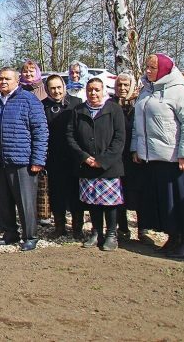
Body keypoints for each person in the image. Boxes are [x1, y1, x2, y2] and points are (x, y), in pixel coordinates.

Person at [0, 66, 48, 251]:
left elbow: (40, 131)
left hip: (22, 160)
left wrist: (38, 160)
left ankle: (30, 236)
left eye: (7, 79)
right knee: (3, 200)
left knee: (25, 201)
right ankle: (10, 233)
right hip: (0, 160)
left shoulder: (29, 100)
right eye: (1, 79)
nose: (3, 82)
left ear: (17, 81)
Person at [133, 53, 184, 258]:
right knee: (164, 203)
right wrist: (136, 148)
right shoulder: (146, 90)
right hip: (151, 157)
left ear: (164, 69)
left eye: (152, 68)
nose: (147, 71)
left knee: (179, 202)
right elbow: (137, 124)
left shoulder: (179, 91)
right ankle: (173, 237)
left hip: (174, 158)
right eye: (146, 67)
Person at [67, 78, 126, 251]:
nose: (93, 93)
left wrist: (103, 160)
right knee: (93, 201)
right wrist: (84, 156)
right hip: (86, 164)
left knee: (109, 203)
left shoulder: (114, 109)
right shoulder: (79, 110)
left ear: (103, 90)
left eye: (97, 90)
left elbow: (120, 138)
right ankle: (96, 232)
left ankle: (111, 235)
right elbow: (70, 136)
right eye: (90, 90)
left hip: (109, 166)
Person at [43, 74, 84, 239]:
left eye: (59, 87)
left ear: (64, 87)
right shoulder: (42, 106)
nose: (56, 91)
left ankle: (77, 227)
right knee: (56, 193)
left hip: (74, 157)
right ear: (47, 90)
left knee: (75, 194)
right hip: (54, 157)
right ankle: (59, 226)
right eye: (52, 88)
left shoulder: (77, 103)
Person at [113, 71, 147, 241]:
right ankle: (123, 228)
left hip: (136, 156)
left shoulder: (140, 103)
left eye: (126, 85)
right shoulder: (110, 104)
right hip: (117, 157)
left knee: (139, 193)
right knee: (119, 193)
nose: (123, 88)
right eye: (120, 85)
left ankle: (143, 229)